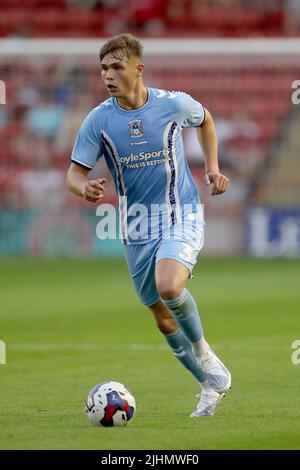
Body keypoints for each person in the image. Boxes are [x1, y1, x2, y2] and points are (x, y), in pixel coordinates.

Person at [66, 33, 231, 417]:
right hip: (136, 227)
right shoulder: (99, 119)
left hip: (180, 213)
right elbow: (73, 174)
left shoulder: (172, 104)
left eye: (117, 67)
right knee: (160, 315)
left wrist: (213, 168)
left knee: (170, 286)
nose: (108, 75)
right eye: (104, 68)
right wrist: (83, 189)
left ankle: (206, 354)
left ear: (138, 69)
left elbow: (205, 119)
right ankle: (208, 387)